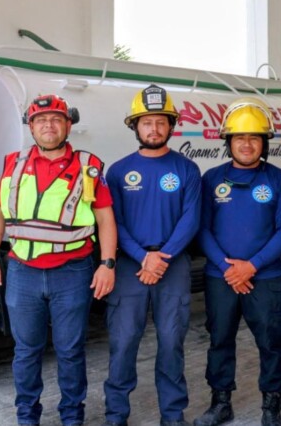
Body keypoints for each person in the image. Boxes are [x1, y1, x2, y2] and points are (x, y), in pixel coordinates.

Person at [0, 94, 118, 426]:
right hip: (22, 272)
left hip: (72, 273)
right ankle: (27, 417)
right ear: (31, 127)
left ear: (68, 125)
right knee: (26, 351)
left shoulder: (88, 166)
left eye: (56, 119)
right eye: (41, 120)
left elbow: (105, 219)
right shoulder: (13, 164)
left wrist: (107, 264)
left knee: (70, 351)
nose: (49, 125)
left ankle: (72, 417)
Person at [194, 98, 281, 426]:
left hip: (265, 278)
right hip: (221, 277)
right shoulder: (211, 178)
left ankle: (272, 408)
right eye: (240, 137)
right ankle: (221, 403)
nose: (247, 144)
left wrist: (251, 266)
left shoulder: (279, 179)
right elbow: (202, 229)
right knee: (219, 340)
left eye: (255, 138)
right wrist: (228, 269)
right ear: (228, 142)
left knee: (271, 341)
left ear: (265, 143)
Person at [103, 84, 201, 426]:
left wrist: (163, 256)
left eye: (161, 122)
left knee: (172, 342)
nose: (154, 129)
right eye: (147, 122)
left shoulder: (187, 169)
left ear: (171, 125)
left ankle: (172, 416)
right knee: (123, 342)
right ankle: (116, 415)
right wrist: (143, 257)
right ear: (135, 126)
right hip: (130, 266)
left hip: (173, 265)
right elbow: (113, 221)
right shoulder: (117, 171)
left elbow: (191, 219)